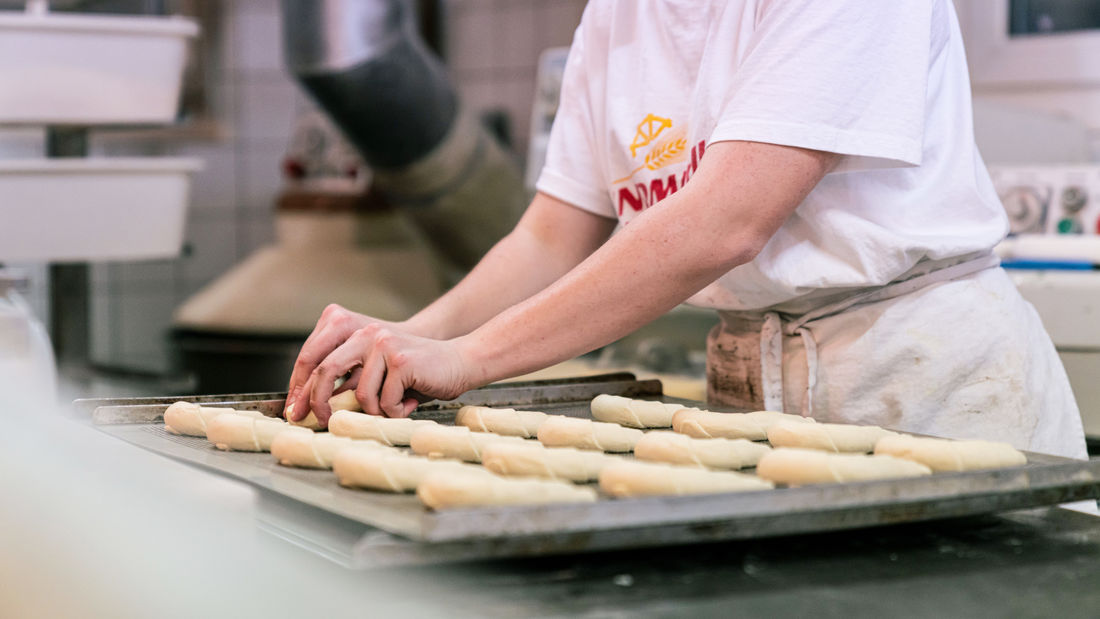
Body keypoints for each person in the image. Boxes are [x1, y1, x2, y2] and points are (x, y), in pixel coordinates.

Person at [285, 0, 1088, 462]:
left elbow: (726, 221)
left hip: (923, 385)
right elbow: (551, 238)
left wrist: (469, 358)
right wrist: (406, 341)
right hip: (751, 391)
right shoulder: (618, 15)